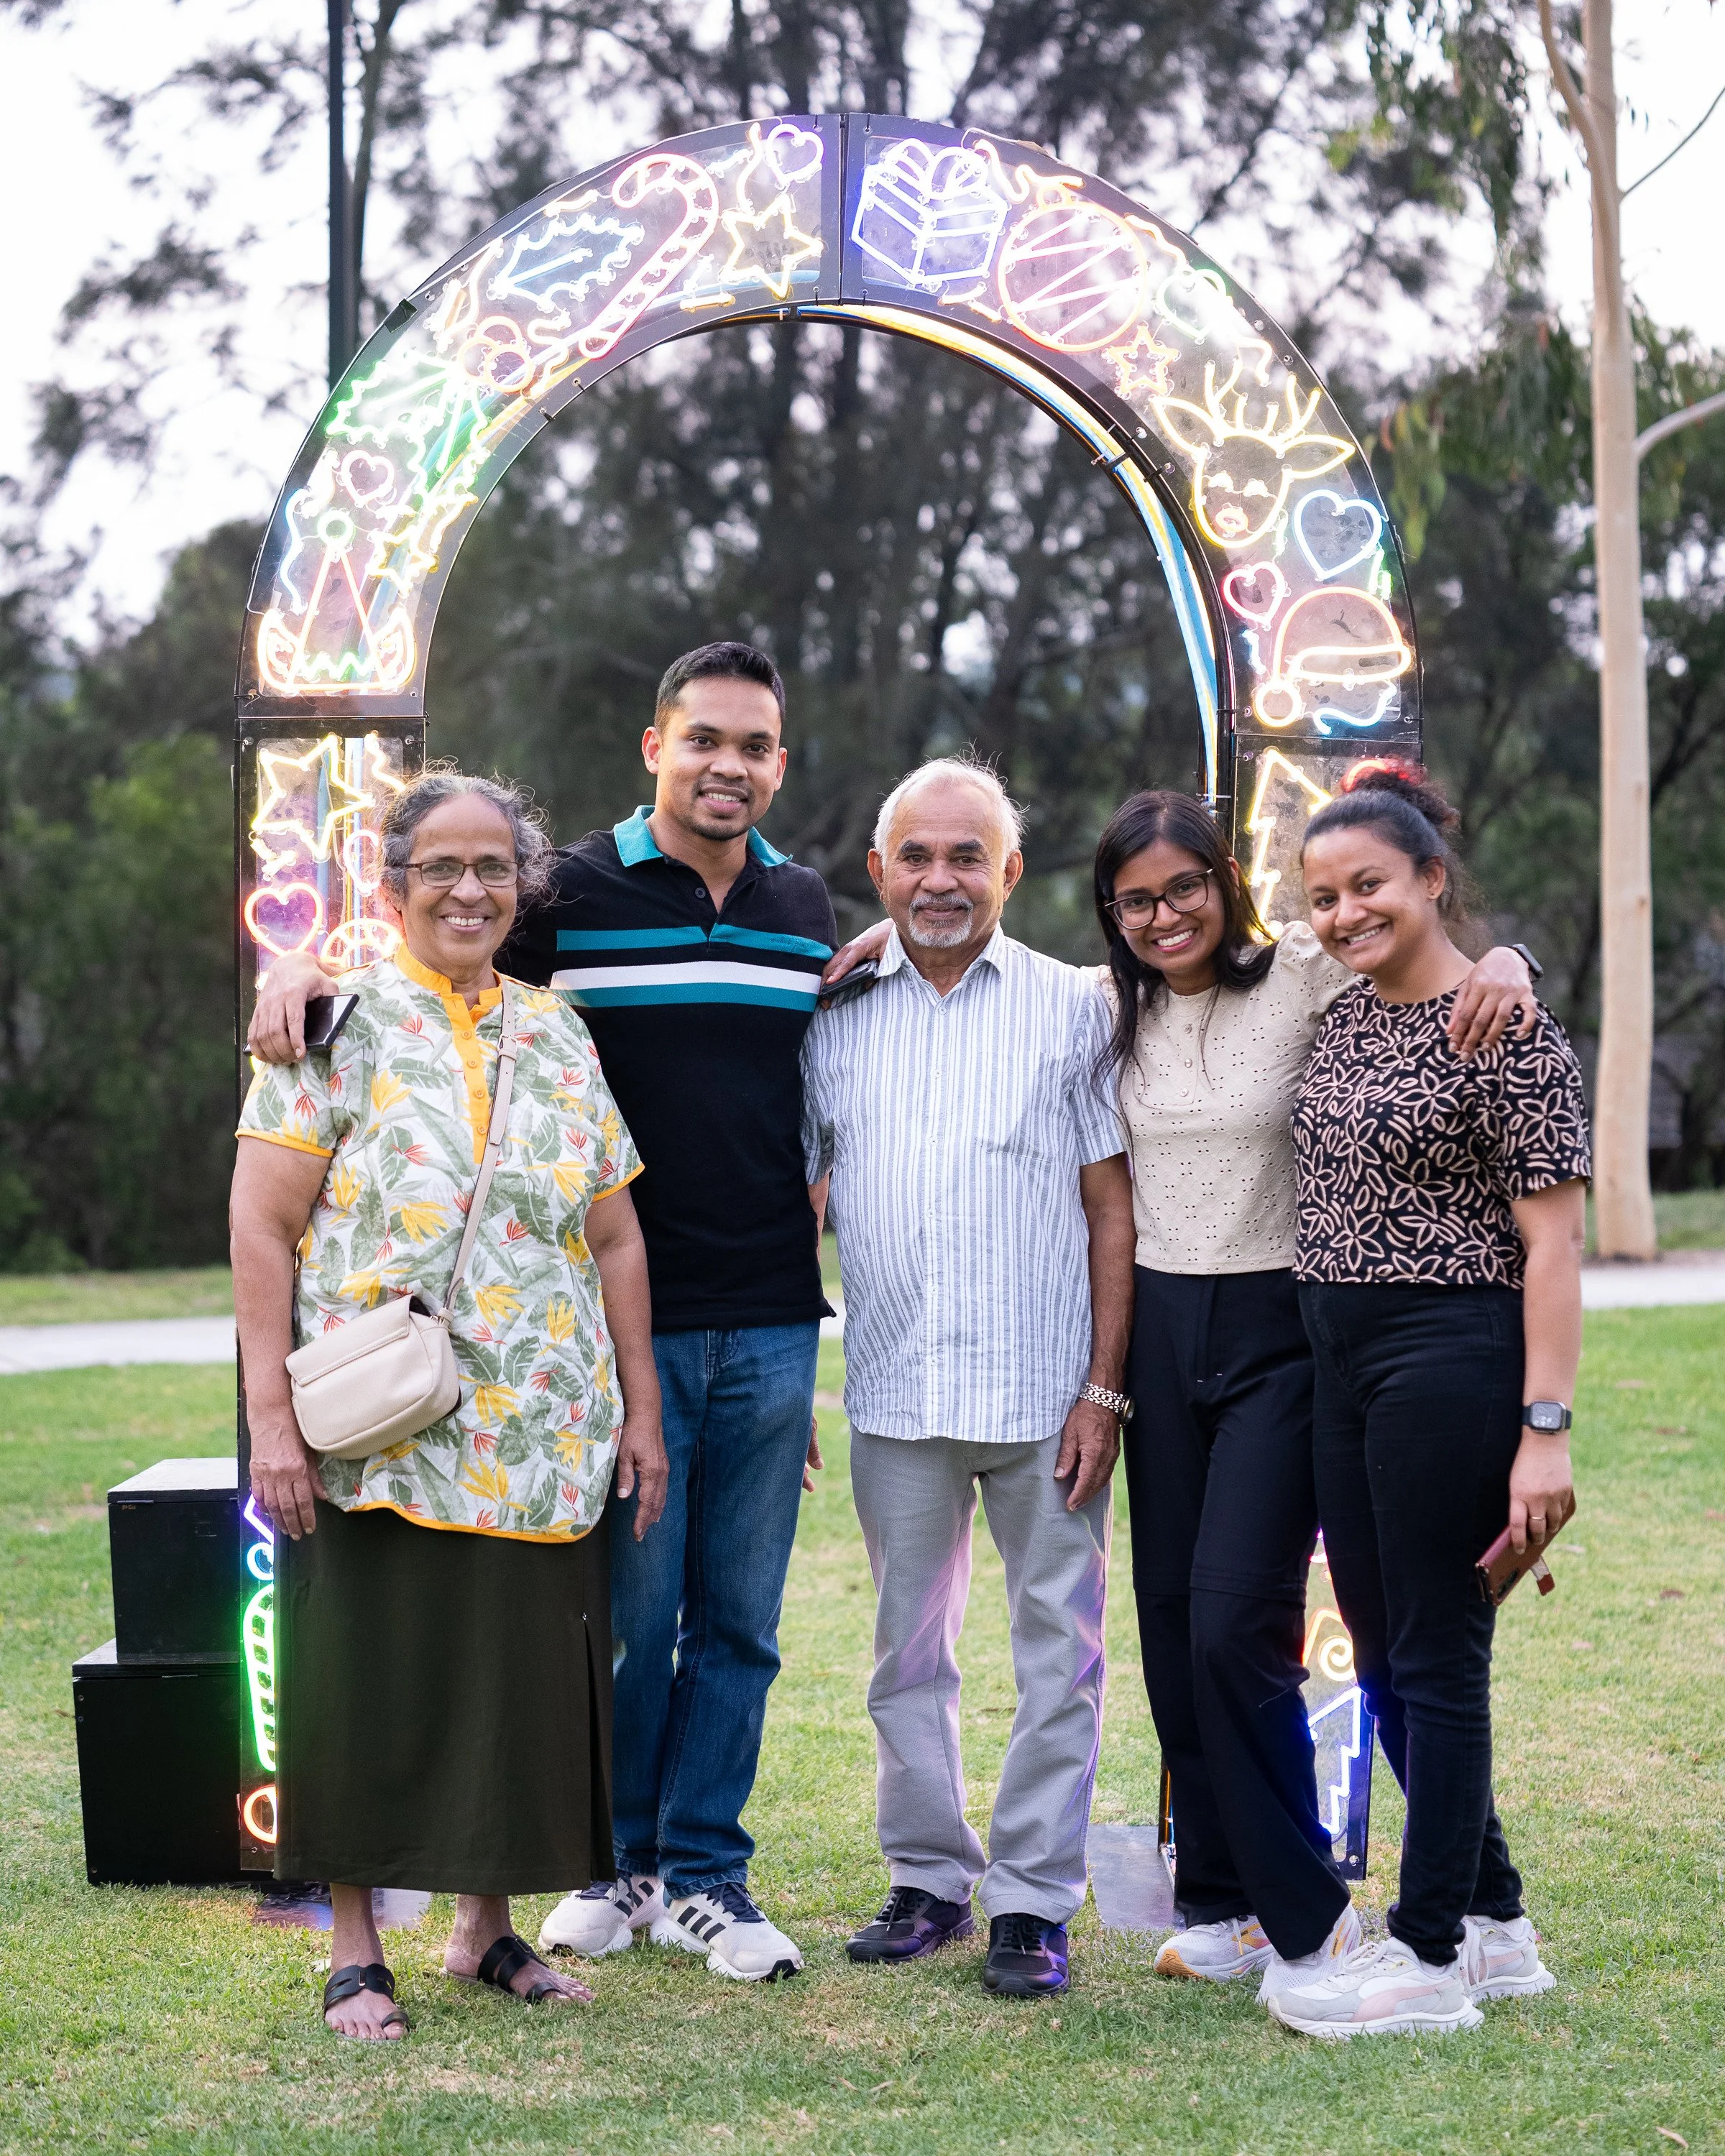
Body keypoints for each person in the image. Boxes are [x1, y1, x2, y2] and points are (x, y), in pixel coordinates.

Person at [249, 644, 835, 1984]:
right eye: (704, 740)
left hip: (651, 1362)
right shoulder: (544, 902)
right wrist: (298, 963)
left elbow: (636, 1198)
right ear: (655, 745)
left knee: (671, 1635)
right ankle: (518, 1895)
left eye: (753, 746)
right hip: (475, 1381)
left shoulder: (791, 917)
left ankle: (640, 1890)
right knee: (505, 1644)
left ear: (780, 764)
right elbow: (272, 1206)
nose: (728, 765)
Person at [232, 769, 666, 2040]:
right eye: (443, 869)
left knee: (514, 1680)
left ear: (522, 885)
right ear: (397, 885)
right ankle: (359, 1947)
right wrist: (270, 1420)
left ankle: (485, 1929)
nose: (471, 891)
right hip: (380, 1425)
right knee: (370, 1673)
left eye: (494, 869)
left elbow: (618, 1237)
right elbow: (262, 1227)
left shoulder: (558, 1032)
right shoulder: (331, 1023)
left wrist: (640, 1413)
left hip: (541, 1427)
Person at [1090, 789, 1538, 2008]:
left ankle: (1315, 1922)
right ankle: (1232, 1899)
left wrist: (1514, 954)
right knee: (1178, 1636)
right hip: (1160, 1336)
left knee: (1242, 1624)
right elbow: (979, 976)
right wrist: (867, 952)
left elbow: (1428, 969)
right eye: (1137, 899)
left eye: (1187, 886)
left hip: (1287, 1331)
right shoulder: (1102, 1003)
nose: (1165, 914)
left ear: (1227, 883)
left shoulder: (1301, 975)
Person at [802, 757, 1135, 2001]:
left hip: (1050, 1397)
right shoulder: (829, 1018)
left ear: (1011, 872)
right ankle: (930, 1879)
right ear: (878, 873)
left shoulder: (1075, 1009)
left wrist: (1104, 1387)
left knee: (1061, 1653)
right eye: (918, 859)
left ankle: (1034, 1902)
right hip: (894, 1393)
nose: (943, 879)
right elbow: (799, 1197)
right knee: (905, 1656)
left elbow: (1113, 1209)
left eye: (968, 857)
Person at [1265, 760, 1588, 2040]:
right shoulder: (1339, 1016)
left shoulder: (1506, 1028)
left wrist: (1544, 1432)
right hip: (1337, 1358)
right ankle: (1501, 1927)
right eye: (1326, 895)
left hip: (1448, 1354)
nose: (1346, 914)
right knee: (1388, 1646)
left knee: (1440, 1659)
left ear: (1433, 880)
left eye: (1371, 887)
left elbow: (1555, 1249)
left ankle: (1433, 1953)